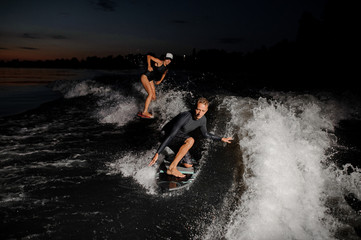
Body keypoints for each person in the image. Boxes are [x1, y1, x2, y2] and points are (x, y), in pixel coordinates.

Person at [148, 97, 233, 177]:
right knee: (190, 140)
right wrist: (158, 153)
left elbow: (205, 134)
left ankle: (176, 157)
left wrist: (221, 138)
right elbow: (171, 135)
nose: (200, 113)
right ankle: (172, 168)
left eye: (203, 111)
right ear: (194, 108)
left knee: (188, 165)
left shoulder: (203, 119)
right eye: (198, 109)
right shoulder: (185, 116)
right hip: (166, 135)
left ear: (206, 110)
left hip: (177, 138)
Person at [138, 53, 173, 119]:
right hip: (145, 77)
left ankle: (148, 108)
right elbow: (149, 56)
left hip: (150, 79)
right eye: (168, 59)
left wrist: (160, 81)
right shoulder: (160, 62)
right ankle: (144, 111)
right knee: (150, 94)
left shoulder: (166, 68)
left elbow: (164, 74)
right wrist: (149, 66)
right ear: (165, 58)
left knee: (154, 97)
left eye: (170, 60)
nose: (169, 61)